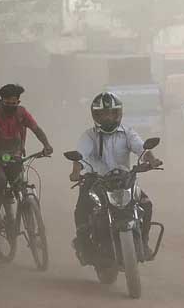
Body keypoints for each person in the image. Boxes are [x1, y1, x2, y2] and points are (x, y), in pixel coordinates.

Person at [69, 92, 163, 263]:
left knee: (146, 204)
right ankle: (84, 245)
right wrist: (76, 172)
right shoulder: (89, 135)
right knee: (82, 208)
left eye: (112, 113)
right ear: (96, 115)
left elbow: (142, 150)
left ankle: (143, 241)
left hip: (124, 179)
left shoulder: (127, 133)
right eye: (104, 114)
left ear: (118, 113)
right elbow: (80, 157)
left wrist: (153, 160)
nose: (108, 118)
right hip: (96, 180)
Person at [0, 84, 53, 225]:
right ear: (0, 102)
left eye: (14, 103)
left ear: (18, 102)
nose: (11, 106)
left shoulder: (22, 113)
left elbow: (36, 129)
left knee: (19, 182)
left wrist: (46, 145)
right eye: (7, 103)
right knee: (0, 181)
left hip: (13, 155)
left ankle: (22, 207)